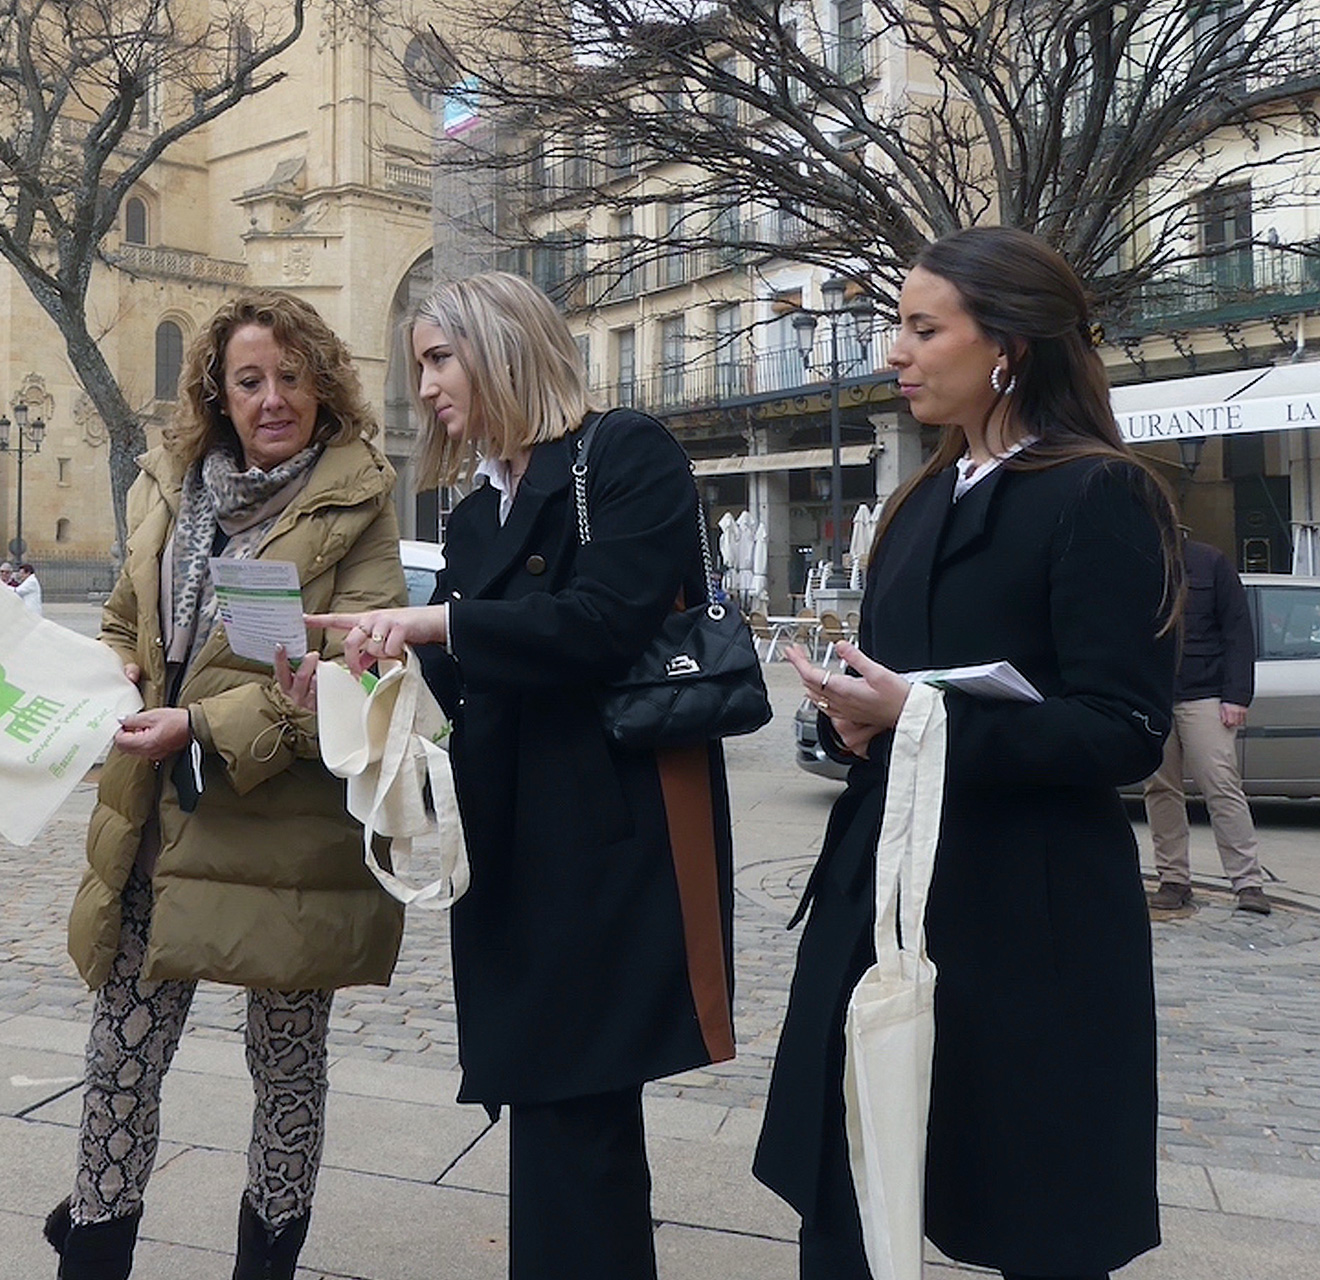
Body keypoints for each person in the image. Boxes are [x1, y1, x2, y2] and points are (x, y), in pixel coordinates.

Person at [752, 227, 1182, 1280]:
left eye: (920, 327)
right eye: (896, 324)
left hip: (1027, 907)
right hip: (881, 883)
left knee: (1031, 1199)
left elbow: (1124, 728)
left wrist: (919, 717)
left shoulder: (1099, 493)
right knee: (843, 1179)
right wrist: (858, 719)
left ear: (1010, 346)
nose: (893, 352)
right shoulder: (917, 499)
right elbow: (898, 693)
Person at [304, 270, 736, 1280]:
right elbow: (463, 675)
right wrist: (367, 666)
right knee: (553, 1103)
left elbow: (600, 623)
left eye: (440, 358)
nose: (427, 386)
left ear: (502, 347)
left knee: (577, 1102)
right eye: (419, 363)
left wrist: (435, 621)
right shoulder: (474, 514)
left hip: (607, 838)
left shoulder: (623, 453)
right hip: (508, 840)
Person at [45, 291, 406, 1280]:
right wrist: (119, 668)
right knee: (121, 1063)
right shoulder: (170, 489)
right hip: (157, 818)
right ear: (219, 389)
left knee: (286, 1068)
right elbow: (126, 618)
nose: (274, 397)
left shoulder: (359, 499)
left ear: (323, 383)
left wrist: (202, 721)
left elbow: (362, 672)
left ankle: (267, 1264)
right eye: (251, 379)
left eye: (293, 376)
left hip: (288, 832)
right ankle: (93, 1251)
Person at [1145, 538, 1269, 915]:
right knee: (1160, 789)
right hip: (1153, 695)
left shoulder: (1211, 561)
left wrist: (1237, 695)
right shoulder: (1136, 560)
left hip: (1207, 695)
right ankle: (1173, 879)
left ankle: (1248, 882)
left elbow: (1238, 632)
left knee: (1222, 786)